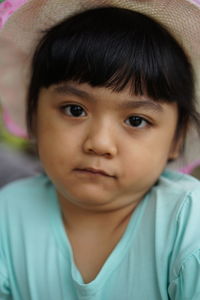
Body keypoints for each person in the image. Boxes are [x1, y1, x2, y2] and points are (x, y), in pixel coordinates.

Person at [0, 1, 200, 299]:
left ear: (176, 139)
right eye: (74, 110)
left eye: (136, 120)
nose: (99, 143)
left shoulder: (186, 221)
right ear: (34, 115)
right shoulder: (9, 214)